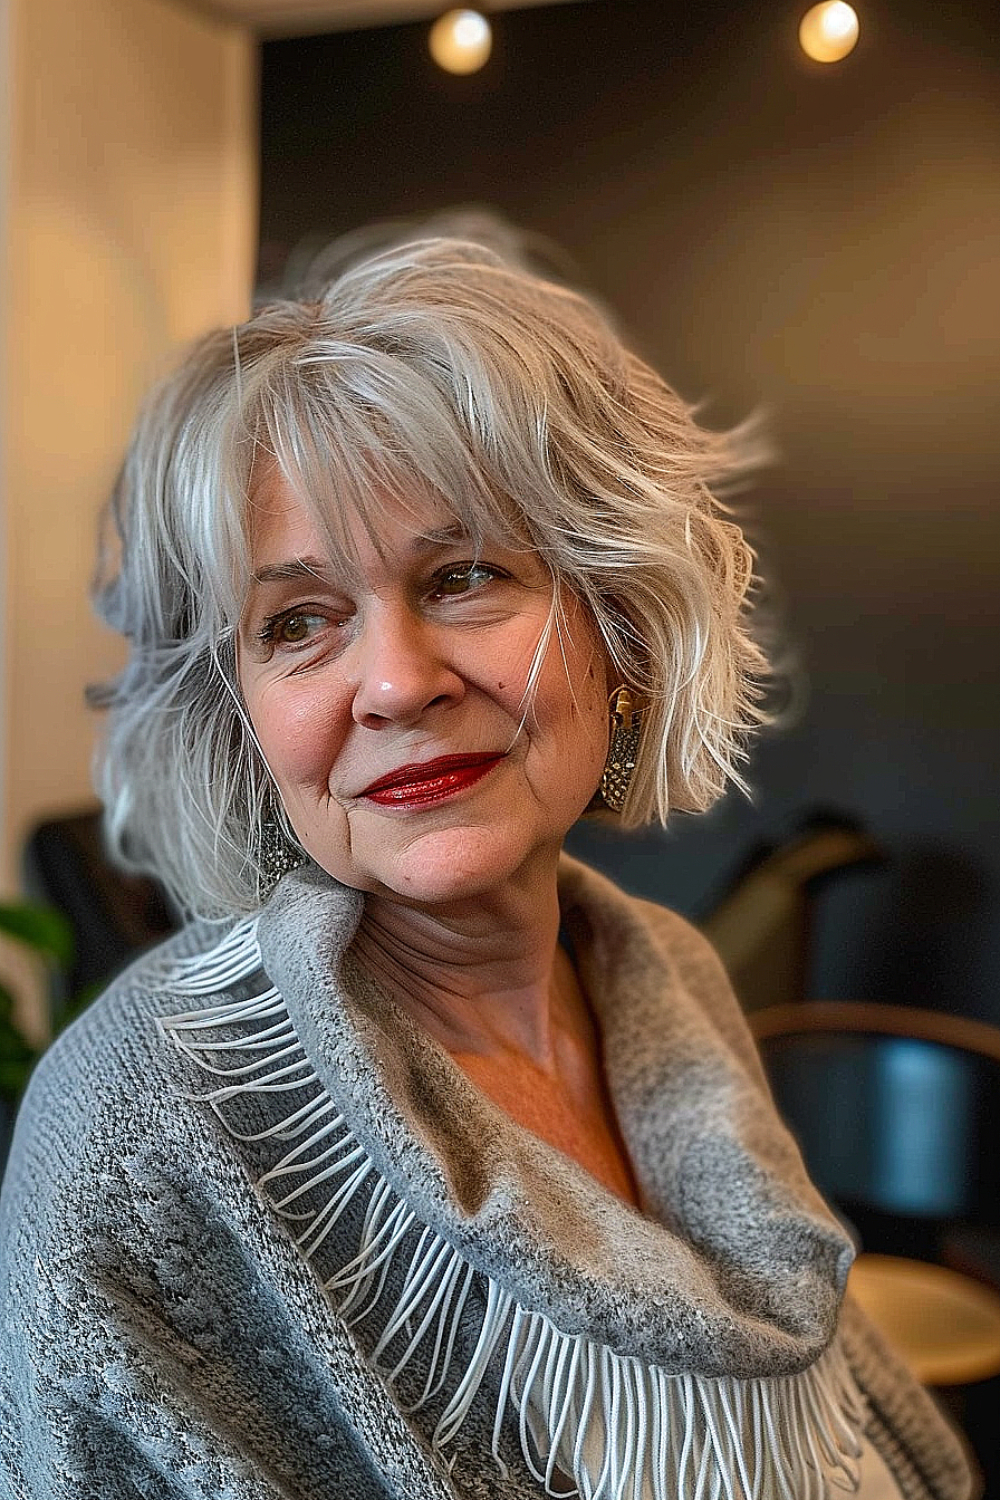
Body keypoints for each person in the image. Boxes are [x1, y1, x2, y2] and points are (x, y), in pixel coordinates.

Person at [0, 227, 973, 1500]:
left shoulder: (660, 974)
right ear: (236, 714)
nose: (397, 683)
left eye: (464, 577)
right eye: (297, 622)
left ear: (616, 625)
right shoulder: (138, 1125)